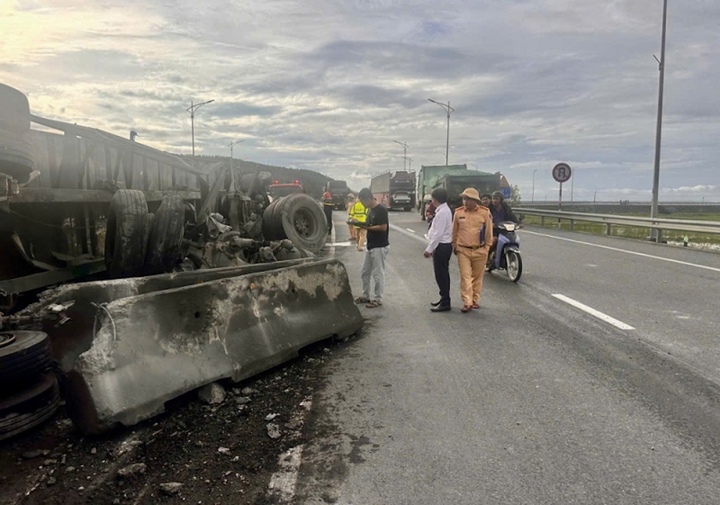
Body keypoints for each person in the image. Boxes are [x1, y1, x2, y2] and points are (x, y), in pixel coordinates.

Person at [452, 188, 493, 313]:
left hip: (480, 250)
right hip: (463, 249)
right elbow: (454, 231)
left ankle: (475, 300)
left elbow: (488, 232)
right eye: (464, 199)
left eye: (468, 199)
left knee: (477, 277)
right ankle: (467, 301)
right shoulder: (458, 213)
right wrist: (455, 245)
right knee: (465, 276)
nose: (465, 201)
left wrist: (487, 247)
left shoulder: (485, 213)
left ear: (475, 200)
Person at [351, 188, 389, 309]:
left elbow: (383, 227)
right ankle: (365, 295)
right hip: (371, 245)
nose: (362, 204)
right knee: (365, 272)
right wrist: (359, 223)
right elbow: (369, 224)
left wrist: (367, 228)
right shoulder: (370, 210)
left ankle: (378, 298)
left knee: (378, 274)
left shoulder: (381, 210)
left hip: (379, 246)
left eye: (362, 202)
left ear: (368, 199)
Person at [423, 188, 453, 312]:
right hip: (442, 246)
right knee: (442, 274)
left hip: (442, 246)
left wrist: (429, 249)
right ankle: (443, 298)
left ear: (435, 199)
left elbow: (438, 234)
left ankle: (445, 301)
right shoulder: (443, 210)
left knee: (441, 275)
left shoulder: (442, 213)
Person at [487, 190, 518, 268]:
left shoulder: (505, 207)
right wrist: (491, 223)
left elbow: (511, 216)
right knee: (494, 240)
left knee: (513, 239)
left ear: (501, 199)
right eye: (493, 198)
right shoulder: (489, 208)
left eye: (497, 198)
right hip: (494, 230)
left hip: (505, 229)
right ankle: (486, 257)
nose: (495, 200)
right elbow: (485, 218)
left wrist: (518, 223)